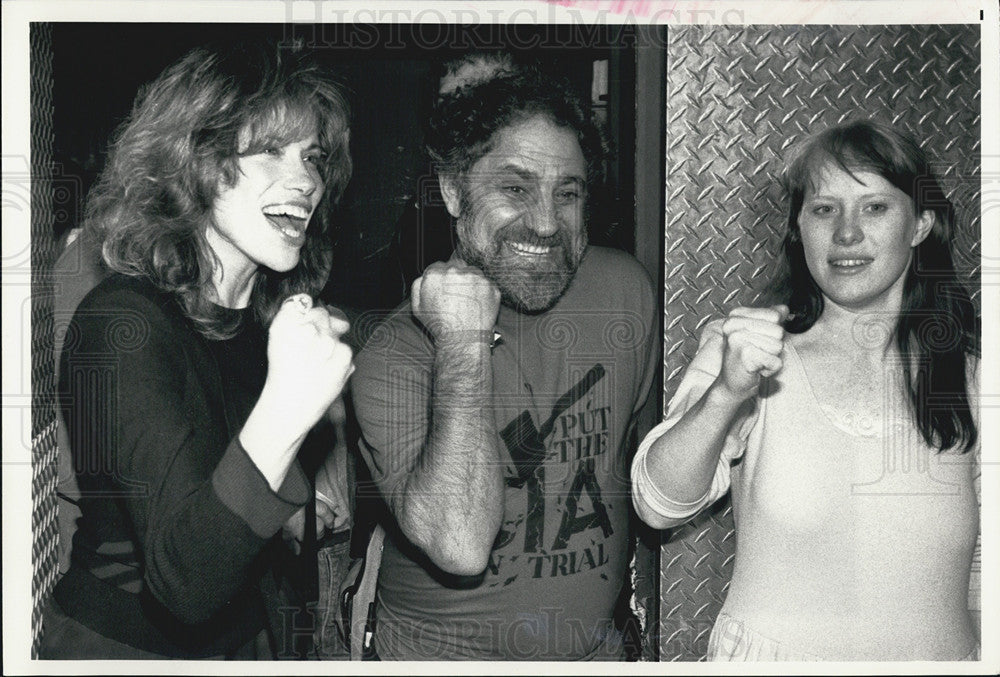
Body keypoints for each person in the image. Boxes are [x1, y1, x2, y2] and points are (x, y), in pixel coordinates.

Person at [40, 40, 354, 659]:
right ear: (194, 163)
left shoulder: (258, 322)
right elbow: (186, 582)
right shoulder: (120, 323)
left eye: (313, 157)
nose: (305, 181)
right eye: (269, 150)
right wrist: (288, 410)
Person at [632, 120, 980, 661]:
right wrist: (726, 393)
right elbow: (656, 505)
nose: (846, 234)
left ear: (920, 224)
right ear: (800, 227)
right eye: (823, 209)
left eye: (875, 207)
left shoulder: (974, 374)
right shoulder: (751, 351)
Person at [350, 56, 659, 660]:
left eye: (567, 193)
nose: (546, 223)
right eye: (514, 188)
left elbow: (643, 474)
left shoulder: (626, 293)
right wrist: (462, 344)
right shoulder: (395, 352)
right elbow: (460, 544)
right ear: (452, 192)